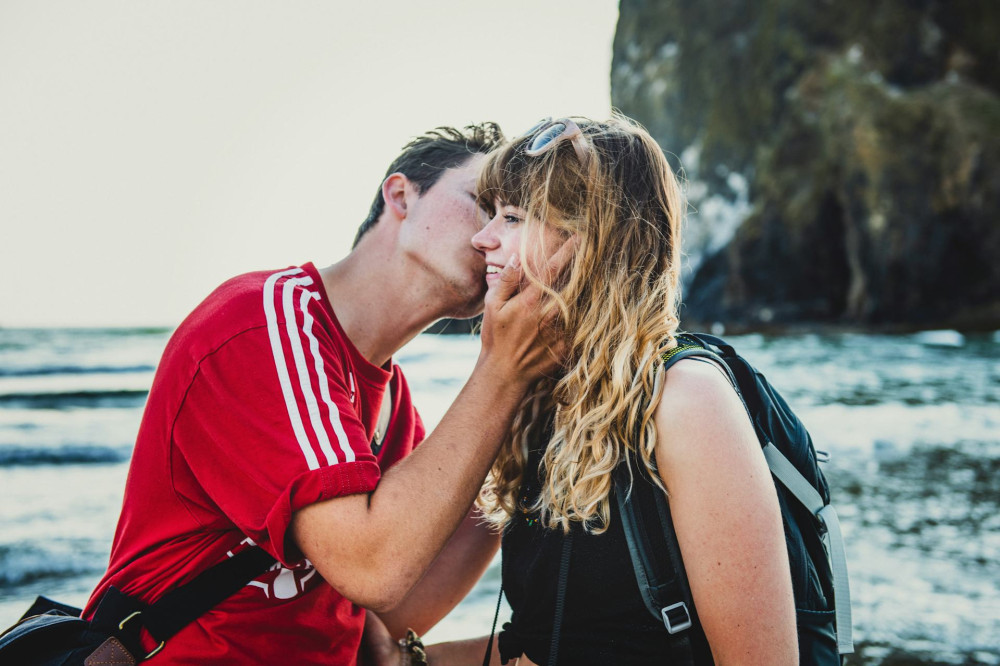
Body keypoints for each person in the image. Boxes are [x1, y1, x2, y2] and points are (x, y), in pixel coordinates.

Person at [82, 123, 568, 664]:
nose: (495, 237)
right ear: (401, 196)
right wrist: (501, 372)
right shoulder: (263, 326)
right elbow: (372, 568)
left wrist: (524, 414)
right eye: (483, 204)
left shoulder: (393, 402)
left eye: (514, 219)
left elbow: (394, 611)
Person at [423, 115, 798, 665]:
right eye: (491, 214)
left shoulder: (685, 400)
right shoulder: (544, 399)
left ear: (591, 241)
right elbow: (561, 640)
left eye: (514, 217)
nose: (483, 238)